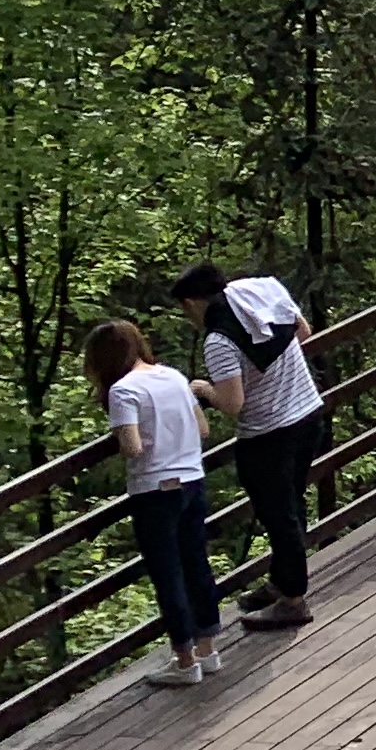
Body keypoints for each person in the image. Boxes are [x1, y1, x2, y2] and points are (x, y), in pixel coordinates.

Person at [180, 263, 322, 630]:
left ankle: (292, 599)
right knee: (291, 503)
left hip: (267, 433)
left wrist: (201, 390)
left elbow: (232, 403)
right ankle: (282, 581)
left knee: (278, 514)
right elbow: (303, 333)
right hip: (307, 412)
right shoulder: (263, 295)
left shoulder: (218, 339)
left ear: (194, 303)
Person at [90, 320, 222, 687]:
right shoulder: (173, 376)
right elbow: (203, 429)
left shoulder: (123, 391)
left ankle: (184, 660)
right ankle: (209, 649)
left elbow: (131, 446)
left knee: (168, 574)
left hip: (155, 489)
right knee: (197, 563)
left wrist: (129, 440)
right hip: (192, 479)